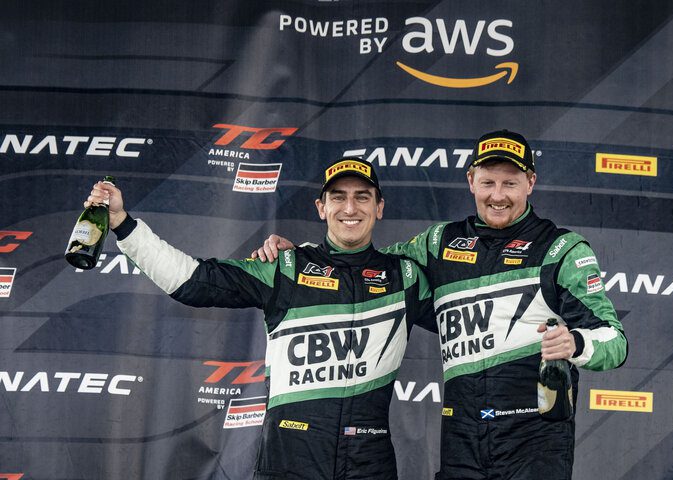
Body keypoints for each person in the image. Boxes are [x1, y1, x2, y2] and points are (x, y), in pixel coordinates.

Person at [252, 130, 628, 480]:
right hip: (461, 438)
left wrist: (577, 344)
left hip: (533, 438)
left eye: (510, 183)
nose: (498, 195)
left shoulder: (562, 250)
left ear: (530, 183)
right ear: (471, 182)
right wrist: (304, 260)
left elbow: (615, 340)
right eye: (488, 183)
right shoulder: (439, 243)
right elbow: (369, 267)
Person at [86, 157, 434, 480]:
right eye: (338, 197)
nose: (350, 208)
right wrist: (122, 223)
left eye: (362, 197)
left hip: (369, 464)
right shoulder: (285, 268)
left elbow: (470, 312)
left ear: (379, 207)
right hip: (289, 460)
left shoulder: (405, 277)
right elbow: (191, 281)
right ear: (321, 207)